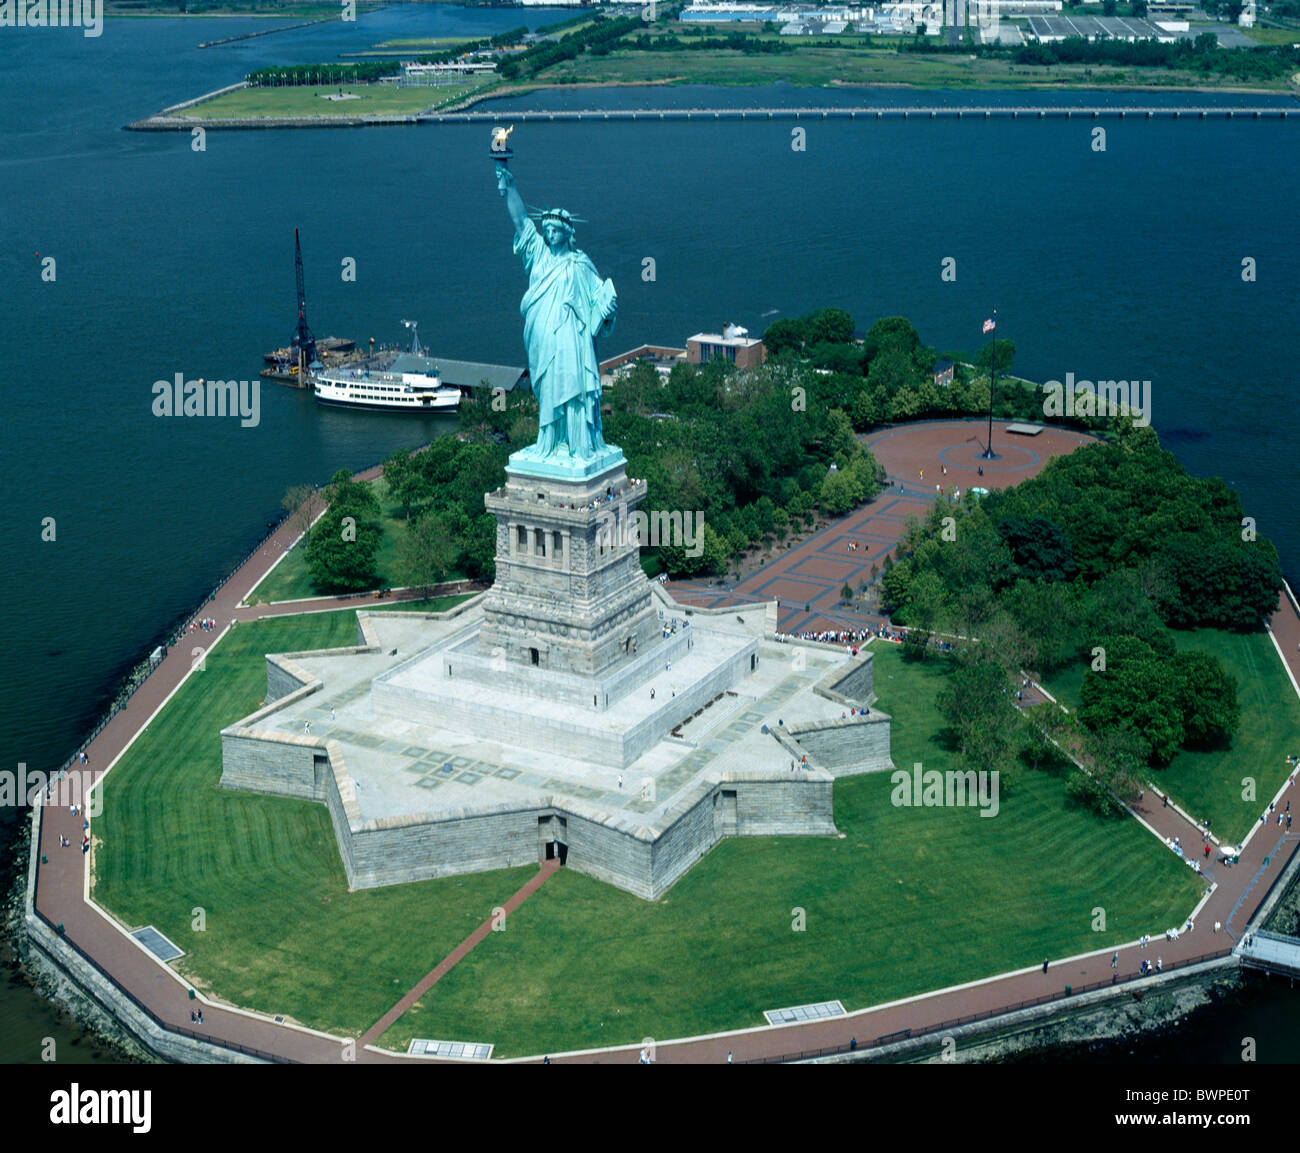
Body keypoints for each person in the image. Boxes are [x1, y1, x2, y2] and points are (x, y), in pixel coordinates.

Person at [497, 165, 616, 460]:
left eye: (555, 231)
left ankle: (579, 444)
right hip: (543, 336)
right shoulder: (537, 253)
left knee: (575, 388)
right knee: (550, 386)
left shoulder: (580, 263)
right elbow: (521, 221)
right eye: (547, 231)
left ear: (567, 233)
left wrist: (609, 308)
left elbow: (599, 300)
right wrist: (509, 185)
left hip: (572, 337)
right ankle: (549, 442)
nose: (549, 235)